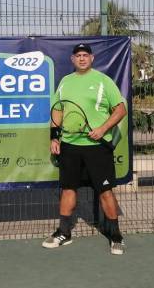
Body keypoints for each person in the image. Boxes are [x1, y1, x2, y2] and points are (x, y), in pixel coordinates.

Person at [44, 43, 128, 255]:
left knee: (105, 192)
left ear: (92, 58)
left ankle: (115, 235)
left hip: (97, 148)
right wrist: (54, 137)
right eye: (78, 55)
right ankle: (64, 232)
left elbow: (120, 110)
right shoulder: (65, 82)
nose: (81, 58)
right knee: (68, 189)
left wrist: (102, 129)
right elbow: (57, 111)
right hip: (70, 146)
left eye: (85, 55)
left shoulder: (103, 81)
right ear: (72, 59)